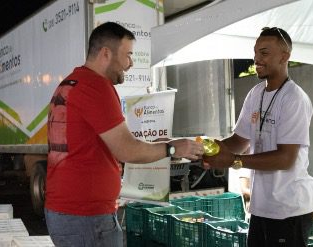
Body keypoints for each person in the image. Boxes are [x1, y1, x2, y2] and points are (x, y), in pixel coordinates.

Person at [45, 22, 204, 247]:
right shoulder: (96, 87)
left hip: (68, 213)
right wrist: (173, 147)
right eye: (128, 55)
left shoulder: (71, 83)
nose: (130, 64)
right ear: (106, 54)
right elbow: (127, 149)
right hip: (86, 218)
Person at [203, 27, 313, 246]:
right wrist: (207, 149)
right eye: (255, 53)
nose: (256, 59)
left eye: (264, 53)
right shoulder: (256, 93)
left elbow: (286, 159)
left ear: (284, 57)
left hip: (289, 208)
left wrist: (234, 161)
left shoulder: (294, 98)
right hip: (261, 206)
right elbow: (239, 140)